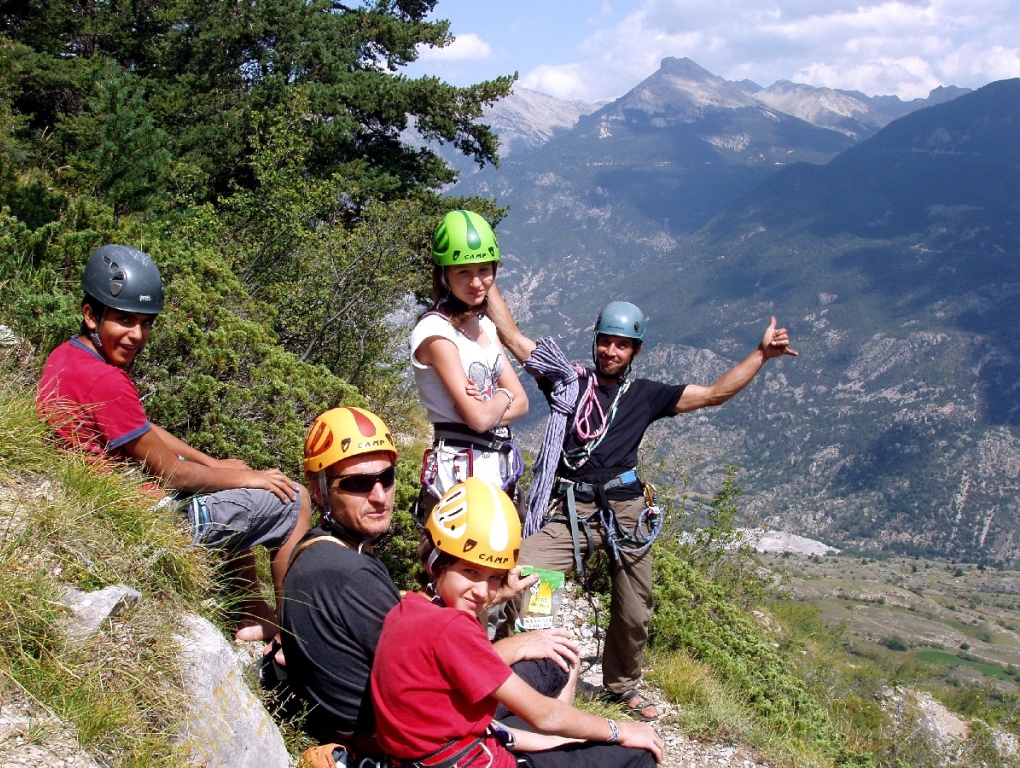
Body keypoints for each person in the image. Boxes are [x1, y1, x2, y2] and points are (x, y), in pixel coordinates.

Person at [484, 284, 797, 722]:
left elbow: (713, 393)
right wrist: (487, 278)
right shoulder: (566, 380)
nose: (611, 350)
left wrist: (760, 355)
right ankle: (514, 660)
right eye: (606, 341)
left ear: (635, 350)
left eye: (622, 344)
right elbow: (513, 336)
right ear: (595, 340)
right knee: (529, 570)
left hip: (625, 510)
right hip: (571, 508)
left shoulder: (645, 396)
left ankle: (622, 685)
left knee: (635, 607)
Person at [36, 244, 312, 642]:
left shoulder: (67, 357)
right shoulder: (107, 380)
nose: (136, 335)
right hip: (148, 520)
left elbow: (144, 430)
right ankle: (290, 635)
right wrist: (245, 479)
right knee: (293, 501)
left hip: (104, 502)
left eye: (145, 323)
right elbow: (174, 473)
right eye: (124, 320)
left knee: (232, 470)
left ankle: (252, 612)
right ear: (91, 315)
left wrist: (222, 466)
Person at [280, 406, 582, 760]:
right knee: (555, 659)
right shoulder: (351, 575)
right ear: (320, 491)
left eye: (386, 477)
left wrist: (490, 596)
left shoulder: (316, 550)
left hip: (353, 724)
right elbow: (428, 668)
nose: (379, 496)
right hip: (400, 738)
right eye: (357, 483)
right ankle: (553, 750)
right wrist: (518, 645)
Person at [371, 477, 662, 767]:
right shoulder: (453, 627)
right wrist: (619, 730)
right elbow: (544, 715)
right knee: (638, 755)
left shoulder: (409, 607)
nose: (483, 591)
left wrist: (557, 741)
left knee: (554, 662)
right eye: (471, 572)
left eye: (494, 577)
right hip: (475, 760)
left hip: (427, 754)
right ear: (436, 563)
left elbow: (453, 677)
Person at [410, 209, 529, 524]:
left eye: (484, 270)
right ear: (444, 274)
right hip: (457, 473)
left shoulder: (485, 326)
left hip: (496, 469)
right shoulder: (435, 332)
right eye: (463, 272)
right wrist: (503, 396)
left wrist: (495, 401)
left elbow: (523, 402)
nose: (477, 282)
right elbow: (477, 418)